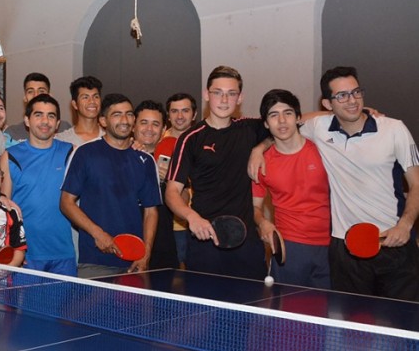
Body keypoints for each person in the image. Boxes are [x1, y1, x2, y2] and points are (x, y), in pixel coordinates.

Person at [253, 67, 419, 299]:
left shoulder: (394, 129)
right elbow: (286, 125)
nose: (351, 101)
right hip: (345, 249)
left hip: (394, 242)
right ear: (327, 104)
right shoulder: (320, 129)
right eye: (341, 95)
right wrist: (259, 148)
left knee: (403, 322)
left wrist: (406, 224)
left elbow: (416, 183)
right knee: (352, 324)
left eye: (356, 92)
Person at [164, 66, 268, 280]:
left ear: (240, 98)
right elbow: (172, 191)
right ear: (206, 95)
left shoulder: (250, 129)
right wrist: (192, 217)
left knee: (253, 310)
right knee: (203, 312)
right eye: (217, 92)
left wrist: (261, 146)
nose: (224, 100)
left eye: (231, 94)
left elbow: (290, 122)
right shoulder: (190, 138)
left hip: (246, 243)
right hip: (205, 243)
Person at [60, 93, 162, 278]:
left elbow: (151, 211)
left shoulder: (146, 160)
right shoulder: (85, 153)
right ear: (103, 121)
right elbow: (66, 202)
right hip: (94, 260)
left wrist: (145, 254)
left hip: (134, 262)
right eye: (117, 114)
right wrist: (98, 234)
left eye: (129, 114)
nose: (125, 120)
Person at [251, 89, 330, 288]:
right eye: (274, 115)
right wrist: (263, 223)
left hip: (331, 244)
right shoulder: (261, 164)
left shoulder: (322, 149)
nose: (282, 121)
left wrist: (362, 111)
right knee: (290, 315)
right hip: (290, 246)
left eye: (287, 113)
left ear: (298, 118)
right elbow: (255, 207)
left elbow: (337, 116)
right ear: (266, 124)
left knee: (328, 314)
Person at [0, 94, 76, 275]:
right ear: (27, 120)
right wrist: (13, 251)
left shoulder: (71, 152)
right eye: (38, 115)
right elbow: (4, 207)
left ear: (57, 123)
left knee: (65, 305)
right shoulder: (10, 156)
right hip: (26, 256)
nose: (45, 121)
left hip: (63, 255)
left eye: (51, 116)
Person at [132, 100, 178, 270]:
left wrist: (170, 181)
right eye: (144, 122)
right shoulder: (119, 156)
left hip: (163, 245)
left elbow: (185, 197)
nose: (149, 129)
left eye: (155, 124)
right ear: (133, 126)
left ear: (163, 130)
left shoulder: (173, 160)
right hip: (125, 243)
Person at [163, 93, 198, 267]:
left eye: (185, 110)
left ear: (194, 114)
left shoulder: (203, 140)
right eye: (174, 111)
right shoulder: (158, 141)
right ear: (168, 116)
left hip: (199, 221)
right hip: (170, 226)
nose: (180, 116)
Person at [6, 73, 72, 142]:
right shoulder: (12, 133)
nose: (36, 95)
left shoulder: (64, 128)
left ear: (49, 96)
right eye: (30, 91)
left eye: (41, 91)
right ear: (25, 98)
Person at [56, 76, 104, 147]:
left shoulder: (110, 137)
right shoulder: (62, 140)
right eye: (85, 97)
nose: (92, 101)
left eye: (96, 96)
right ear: (75, 104)